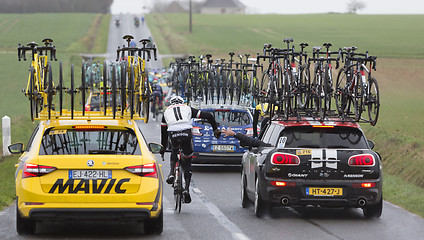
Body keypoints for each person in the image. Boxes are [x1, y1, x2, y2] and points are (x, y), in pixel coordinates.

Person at [160, 96, 221, 203]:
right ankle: (187, 190)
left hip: (173, 133)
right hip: (186, 132)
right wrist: (215, 129)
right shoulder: (187, 108)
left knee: (174, 149)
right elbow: (208, 116)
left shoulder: (166, 112)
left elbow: (164, 133)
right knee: (187, 159)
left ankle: (171, 173)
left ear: (170, 104)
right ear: (183, 102)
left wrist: (163, 148)